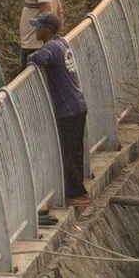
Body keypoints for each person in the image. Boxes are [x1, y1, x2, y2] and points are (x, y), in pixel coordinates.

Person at [24, 12, 89, 205]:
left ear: (47, 30)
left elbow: (40, 58)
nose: (35, 30)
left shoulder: (51, 46)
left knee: (68, 152)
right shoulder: (62, 43)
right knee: (75, 151)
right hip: (77, 104)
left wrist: (30, 57)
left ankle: (77, 194)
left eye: (38, 27)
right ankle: (78, 192)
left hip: (68, 109)